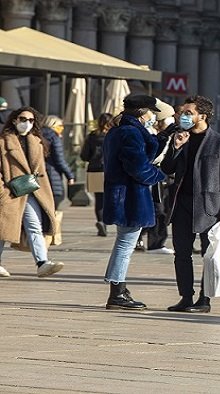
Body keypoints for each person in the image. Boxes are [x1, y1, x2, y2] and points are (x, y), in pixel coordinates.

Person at [160, 95, 220, 313]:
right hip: (181, 204)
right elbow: (167, 168)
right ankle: (185, 296)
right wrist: (175, 147)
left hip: (209, 208)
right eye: (182, 112)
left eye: (188, 113)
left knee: (209, 256)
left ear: (202, 116)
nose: (183, 116)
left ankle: (205, 299)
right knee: (181, 254)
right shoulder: (180, 137)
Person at [102, 95, 165, 310]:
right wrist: (159, 174)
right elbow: (138, 167)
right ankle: (117, 292)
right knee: (125, 244)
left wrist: (162, 139)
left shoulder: (119, 130)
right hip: (130, 197)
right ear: (141, 112)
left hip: (123, 194)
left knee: (123, 243)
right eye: (150, 112)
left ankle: (118, 287)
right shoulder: (131, 133)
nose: (152, 117)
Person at [0, 106, 64, 278]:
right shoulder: (3, 141)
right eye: (22, 119)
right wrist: (3, 191)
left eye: (30, 120)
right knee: (3, 230)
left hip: (31, 190)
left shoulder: (36, 141)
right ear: (14, 120)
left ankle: (42, 263)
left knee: (34, 226)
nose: (26, 123)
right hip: (10, 191)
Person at [135, 98, 175, 255]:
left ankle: (151, 240)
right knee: (157, 210)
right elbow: (154, 156)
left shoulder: (159, 133)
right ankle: (154, 243)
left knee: (159, 209)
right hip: (151, 175)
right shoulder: (150, 133)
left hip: (159, 176)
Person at [81, 113, 113, 236]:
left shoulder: (91, 136)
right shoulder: (112, 136)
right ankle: (106, 220)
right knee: (109, 197)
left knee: (98, 198)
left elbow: (84, 156)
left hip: (94, 169)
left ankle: (100, 221)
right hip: (109, 169)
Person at [41, 115, 75, 210]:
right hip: (52, 174)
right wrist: (70, 175)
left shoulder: (36, 135)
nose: (62, 128)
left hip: (39, 174)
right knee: (54, 203)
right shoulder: (54, 137)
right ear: (53, 125)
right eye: (60, 125)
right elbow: (59, 160)